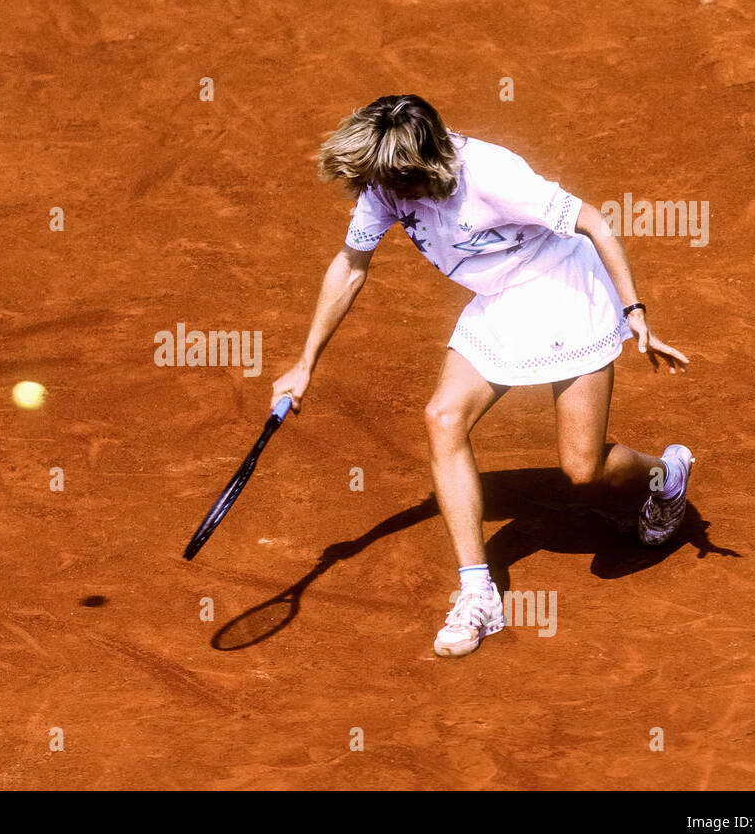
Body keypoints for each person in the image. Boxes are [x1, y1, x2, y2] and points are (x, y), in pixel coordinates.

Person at [270, 95, 692, 658]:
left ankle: (667, 476)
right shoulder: (385, 183)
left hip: (566, 290)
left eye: (389, 181)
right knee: (442, 417)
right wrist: (305, 363)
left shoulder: (494, 177)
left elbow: (592, 221)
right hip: (500, 300)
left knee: (582, 470)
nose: (378, 193)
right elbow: (351, 265)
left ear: (421, 167)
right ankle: (479, 593)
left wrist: (635, 313)